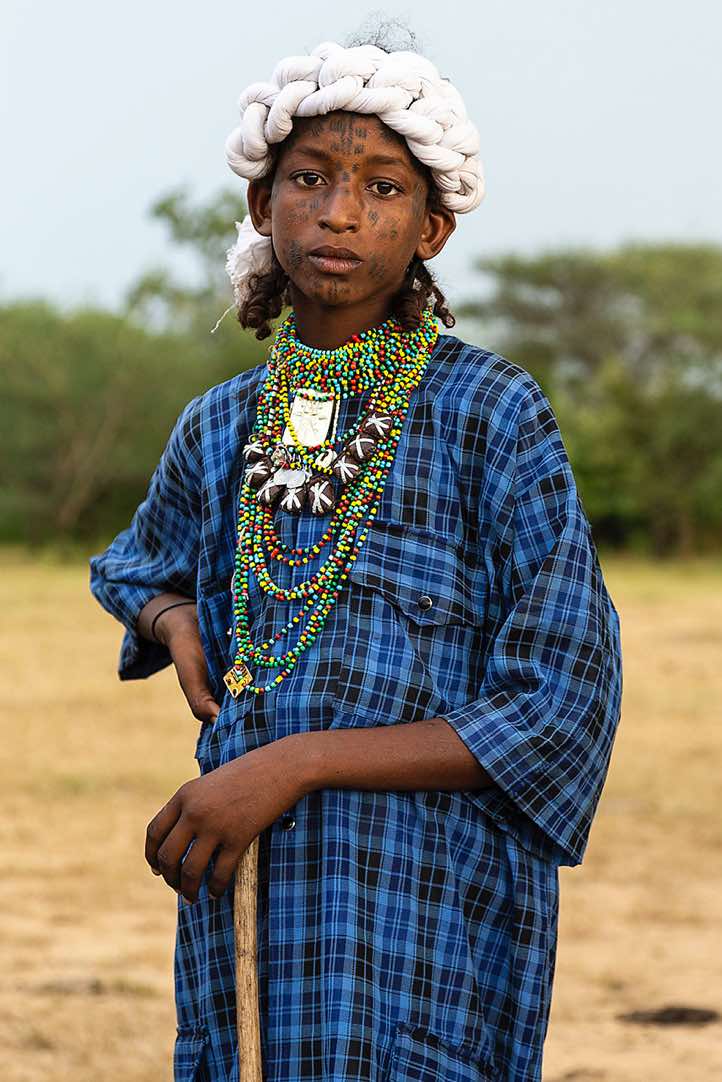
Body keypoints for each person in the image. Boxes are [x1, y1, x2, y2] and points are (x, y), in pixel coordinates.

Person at [89, 30, 623, 1082]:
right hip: (254, 898)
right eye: (309, 179)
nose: (339, 212)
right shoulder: (222, 424)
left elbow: (559, 699)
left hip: (425, 909)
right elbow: (133, 563)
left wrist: (295, 762)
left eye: (382, 188)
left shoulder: (490, 414)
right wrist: (171, 616)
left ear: (430, 228)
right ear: (261, 204)